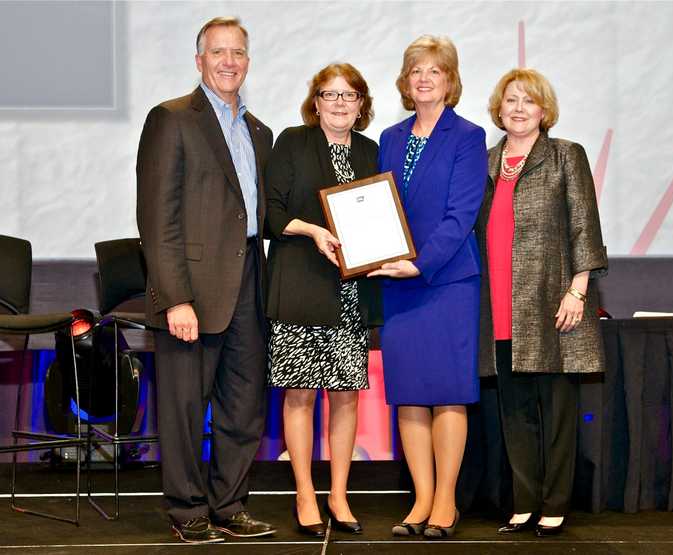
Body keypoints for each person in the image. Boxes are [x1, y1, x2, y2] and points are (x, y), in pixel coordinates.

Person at [136, 17, 275, 544]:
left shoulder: (257, 131)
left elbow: (256, 215)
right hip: (192, 293)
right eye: (218, 52)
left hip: (248, 286)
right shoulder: (171, 119)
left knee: (243, 406)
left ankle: (229, 505)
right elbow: (156, 216)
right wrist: (175, 298)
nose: (229, 61)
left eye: (238, 52)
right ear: (199, 61)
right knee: (184, 407)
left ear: (248, 61)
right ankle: (188, 510)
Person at [476, 68, 607, 537]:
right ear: (499, 109)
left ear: (544, 110)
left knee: (556, 411)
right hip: (497, 307)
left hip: (553, 304)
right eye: (510, 100)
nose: (518, 108)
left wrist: (578, 289)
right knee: (514, 412)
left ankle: (555, 502)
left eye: (528, 101)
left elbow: (584, 228)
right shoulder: (486, 162)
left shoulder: (564, 156)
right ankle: (525, 501)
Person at [368, 35, 487, 538]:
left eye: (434, 71)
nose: (424, 78)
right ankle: (419, 501)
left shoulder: (468, 135)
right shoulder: (390, 138)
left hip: (446, 280)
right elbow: (377, 210)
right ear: (405, 79)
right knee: (410, 395)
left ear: (450, 80)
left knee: (447, 393)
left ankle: (445, 502)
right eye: (416, 69)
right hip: (396, 282)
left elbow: (461, 215)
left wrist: (418, 264)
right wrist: (374, 253)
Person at [264, 63, 382, 536]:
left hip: (350, 291)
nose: (338, 103)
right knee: (300, 395)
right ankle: (305, 494)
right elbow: (271, 213)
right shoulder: (293, 141)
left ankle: (338, 494)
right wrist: (313, 230)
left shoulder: (371, 151)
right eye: (329, 94)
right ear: (315, 102)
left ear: (361, 104)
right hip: (299, 285)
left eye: (348, 95)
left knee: (346, 397)